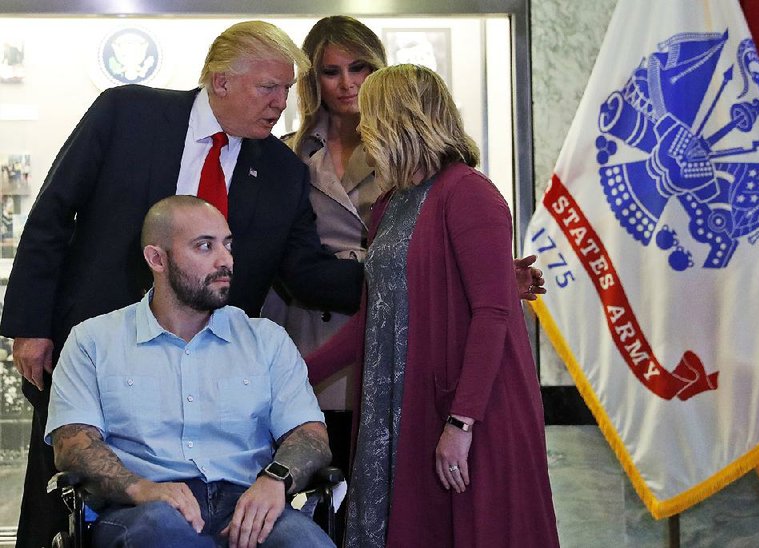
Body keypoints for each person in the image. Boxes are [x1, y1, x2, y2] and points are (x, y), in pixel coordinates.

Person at [0, 20, 362, 548]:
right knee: (63, 495)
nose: (281, 103)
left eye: (286, 89)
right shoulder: (126, 114)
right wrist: (30, 326)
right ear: (220, 81)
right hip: (93, 354)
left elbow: (305, 270)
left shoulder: (283, 172)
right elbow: (54, 214)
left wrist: (416, 281)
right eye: (268, 87)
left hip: (208, 374)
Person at [306, 65, 559, 547]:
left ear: (398, 119)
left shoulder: (468, 192)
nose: (363, 128)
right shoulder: (390, 203)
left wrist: (461, 423)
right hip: (398, 407)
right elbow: (373, 319)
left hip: (464, 410)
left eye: (371, 115)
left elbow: (492, 315)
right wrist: (293, 373)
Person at [46, 196, 334, 547]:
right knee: (162, 532)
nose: (224, 260)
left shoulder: (266, 340)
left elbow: (311, 434)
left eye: (227, 245)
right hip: (142, 510)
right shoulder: (94, 341)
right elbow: (72, 445)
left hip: (246, 501)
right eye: (204, 246)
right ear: (157, 259)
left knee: (306, 543)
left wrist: (275, 479)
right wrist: (140, 488)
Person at [262, 16, 386, 411]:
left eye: (358, 68)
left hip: (383, 317)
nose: (347, 83)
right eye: (332, 72)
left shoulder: (407, 153)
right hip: (308, 321)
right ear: (314, 80)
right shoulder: (284, 153)